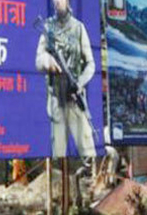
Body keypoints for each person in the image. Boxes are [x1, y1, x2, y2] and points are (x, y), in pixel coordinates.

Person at [35, 0, 96, 158]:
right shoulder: (47, 27)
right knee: (59, 153)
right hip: (57, 99)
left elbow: (91, 64)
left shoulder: (78, 28)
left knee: (89, 151)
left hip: (75, 99)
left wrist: (80, 83)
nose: (57, 3)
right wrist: (47, 60)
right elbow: (38, 59)